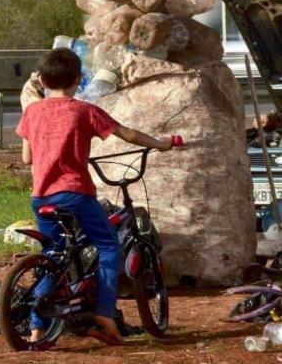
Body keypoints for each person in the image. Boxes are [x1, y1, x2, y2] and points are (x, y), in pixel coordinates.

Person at [16, 48, 175, 345]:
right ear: (79, 79)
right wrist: (160, 144)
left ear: (44, 81)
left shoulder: (32, 112)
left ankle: (37, 329)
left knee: (52, 256)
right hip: (75, 193)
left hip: (41, 197)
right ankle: (103, 312)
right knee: (109, 246)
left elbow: (27, 158)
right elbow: (127, 134)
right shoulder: (84, 111)